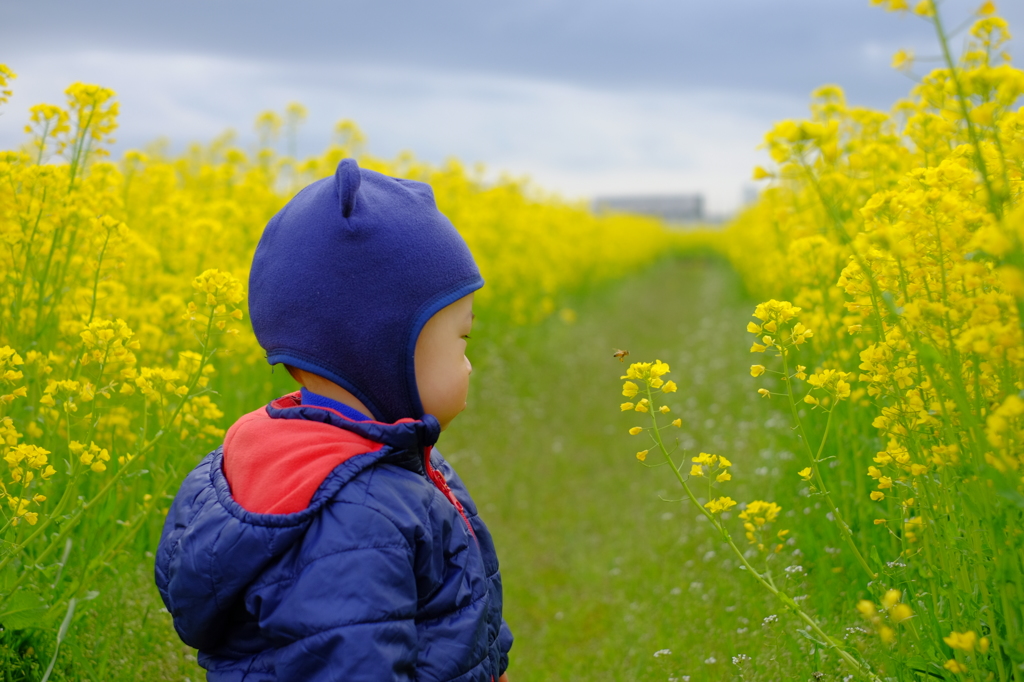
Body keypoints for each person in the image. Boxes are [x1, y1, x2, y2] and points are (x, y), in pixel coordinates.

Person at [155, 158, 513, 681]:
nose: (469, 363)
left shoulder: (376, 461)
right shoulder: (354, 516)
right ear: (381, 350)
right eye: (463, 339)